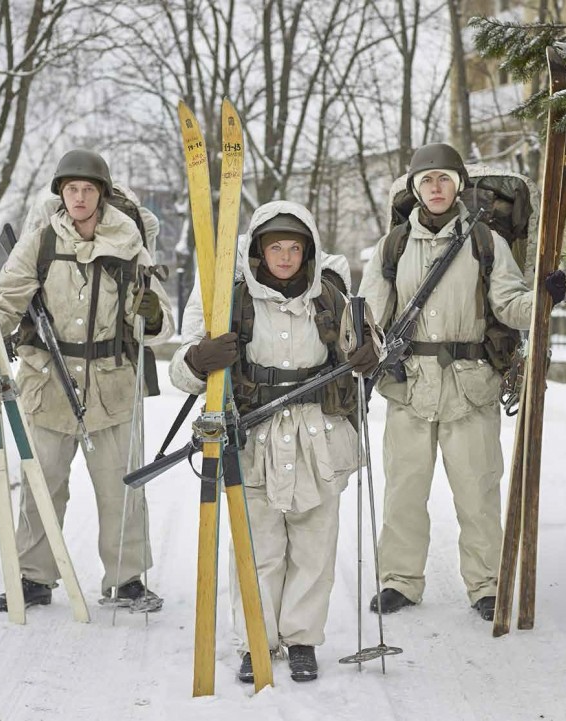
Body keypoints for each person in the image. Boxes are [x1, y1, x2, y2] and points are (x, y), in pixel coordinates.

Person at [169, 200, 380, 683]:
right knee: (258, 547)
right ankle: (256, 642)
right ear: (259, 253)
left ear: (307, 252)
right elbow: (181, 368)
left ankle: (302, 639)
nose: (285, 257)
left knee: (313, 547)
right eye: (275, 248)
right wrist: (200, 359)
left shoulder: (330, 297)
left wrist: (371, 352)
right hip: (253, 438)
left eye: (294, 248)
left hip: (319, 437)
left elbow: (367, 346)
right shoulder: (231, 298)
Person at [357, 142, 566, 622]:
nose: (435, 187)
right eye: (426, 180)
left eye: (444, 179)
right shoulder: (393, 248)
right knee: (404, 491)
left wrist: (542, 299)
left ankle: (486, 584)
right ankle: (399, 580)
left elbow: (510, 304)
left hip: (471, 387)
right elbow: (369, 312)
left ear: (458, 186)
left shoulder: (485, 242)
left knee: (478, 491)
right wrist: (360, 345)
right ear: (415, 189)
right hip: (409, 385)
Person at [0, 149, 175, 613]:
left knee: (120, 486)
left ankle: (127, 580)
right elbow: (10, 298)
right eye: (71, 189)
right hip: (47, 382)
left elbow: (162, 324)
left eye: (88, 189)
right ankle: (34, 577)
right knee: (43, 482)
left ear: (101, 194)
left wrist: (152, 313)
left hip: (112, 385)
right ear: (60, 193)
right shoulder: (40, 241)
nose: (79, 198)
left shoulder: (127, 243)